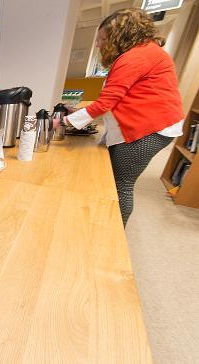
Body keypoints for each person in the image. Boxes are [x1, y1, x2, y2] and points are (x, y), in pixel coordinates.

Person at [57, 8, 184, 226]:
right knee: (116, 179)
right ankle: (105, 225)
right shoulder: (146, 52)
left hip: (149, 128)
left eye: (102, 39)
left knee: (121, 184)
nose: (98, 44)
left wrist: (62, 122)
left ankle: (112, 237)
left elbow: (107, 102)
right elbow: (120, 99)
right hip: (155, 124)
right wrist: (80, 114)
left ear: (119, 36)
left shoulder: (134, 57)